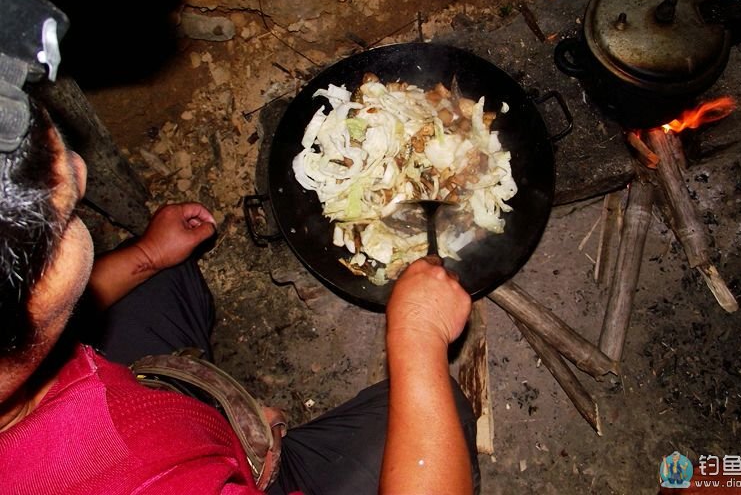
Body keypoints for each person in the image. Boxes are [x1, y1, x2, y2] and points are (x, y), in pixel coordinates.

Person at [0, 98, 479, 494]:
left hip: (153, 398)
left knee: (163, 279)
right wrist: (417, 336)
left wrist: (147, 255)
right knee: (442, 411)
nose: (77, 169)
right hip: (216, 468)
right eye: (51, 227)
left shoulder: (21, 383)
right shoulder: (141, 481)